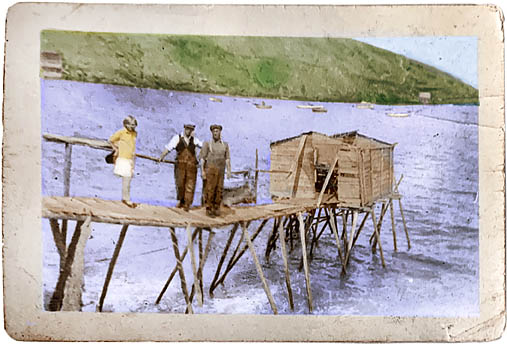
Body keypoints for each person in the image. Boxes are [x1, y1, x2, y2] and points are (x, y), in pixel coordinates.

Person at [159, 124, 203, 211]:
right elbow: (168, 148)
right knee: (180, 184)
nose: (189, 131)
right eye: (187, 129)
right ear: (184, 129)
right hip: (180, 166)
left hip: (191, 166)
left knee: (190, 185)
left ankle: (187, 204)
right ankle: (181, 201)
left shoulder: (195, 140)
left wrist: (200, 157)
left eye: (191, 130)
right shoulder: (177, 138)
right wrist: (162, 157)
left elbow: (204, 147)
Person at [199, 124, 232, 217]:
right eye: (214, 131)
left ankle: (216, 208)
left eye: (217, 131)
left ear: (220, 132)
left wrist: (229, 170)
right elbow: (202, 159)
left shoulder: (225, 145)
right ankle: (209, 209)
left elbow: (227, 159)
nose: (215, 133)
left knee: (219, 190)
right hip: (210, 170)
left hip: (220, 171)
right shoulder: (207, 144)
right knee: (210, 190)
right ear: (211, 133)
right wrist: (202, 171)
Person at [109, 115, 138, 208]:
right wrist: (116, 149)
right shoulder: (121, 132)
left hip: (130, 158)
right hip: (123, 158)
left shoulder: (134, 133)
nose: (133, 127)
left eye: (134, 125)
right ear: (126, 124)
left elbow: (132, 145)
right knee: (127, 179)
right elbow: (110, 140)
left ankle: (125, 198)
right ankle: (126, 199)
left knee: (128, 179)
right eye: (131, 125)